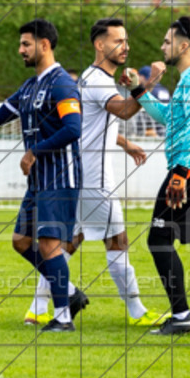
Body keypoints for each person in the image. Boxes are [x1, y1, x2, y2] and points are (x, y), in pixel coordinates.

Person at [24, 17, 166, 326]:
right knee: (117, 241)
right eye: (117, 41)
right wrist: (149, 82)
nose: (124, 47)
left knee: (67, 243)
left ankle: (37, 308)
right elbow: (126, 110)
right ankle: (137, 312)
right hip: (95, 179)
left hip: (78, 175)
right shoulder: (100, 81)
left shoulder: (89, 78)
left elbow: (88, 126)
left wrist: (125, 143)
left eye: (126, 41)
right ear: (99, 45)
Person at [0, 18, 86, 332]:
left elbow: (72, 129)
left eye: (26, 44)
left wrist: (35, 151)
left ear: (44, 45)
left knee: (49, 244)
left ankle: (63, 317)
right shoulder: (30, 86)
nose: (20, 50)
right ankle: (70, 293)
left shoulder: (62, 83)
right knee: (21, 242)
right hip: (39, 181)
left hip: (60, 176)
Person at [128, 16, 190, 335]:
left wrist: (180, 173)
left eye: (167, 41)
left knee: (159, 239)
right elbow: (170, 117)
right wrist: (140, 91)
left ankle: (182, 315)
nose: (162, 46)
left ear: (184, 46)